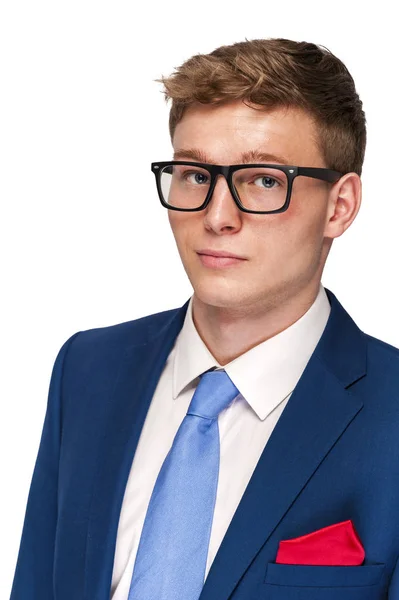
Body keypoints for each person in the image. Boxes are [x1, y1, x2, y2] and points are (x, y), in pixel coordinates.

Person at [9, 37, 399, 600]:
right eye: (194, 175)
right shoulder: (87, 370)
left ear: (339, 206)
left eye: (264, 181)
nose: (217, 217)